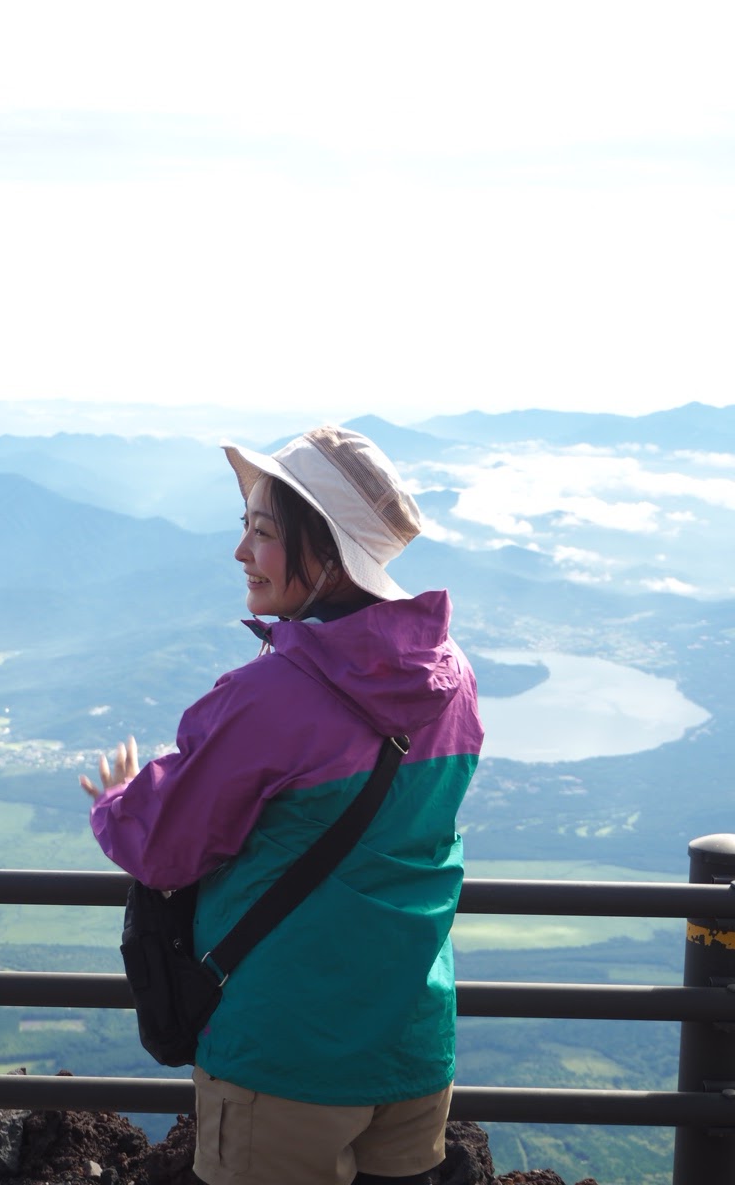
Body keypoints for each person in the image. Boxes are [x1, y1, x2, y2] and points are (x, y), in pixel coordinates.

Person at [81, 424, 483, 1185]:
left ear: (327, 554)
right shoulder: (452, 674)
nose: (241, 554)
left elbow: (162, 845)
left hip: (287, 1054)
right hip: (413, 1042)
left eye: (262, 534)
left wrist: (119, 800)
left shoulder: (271, 695)